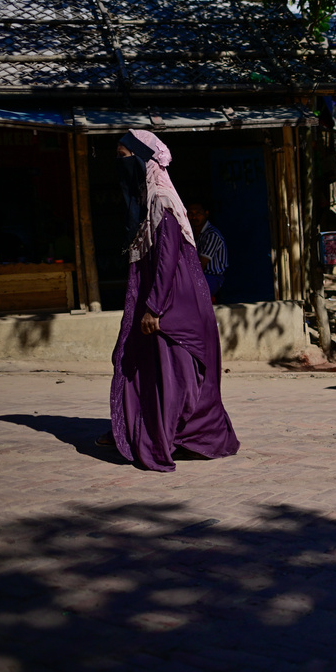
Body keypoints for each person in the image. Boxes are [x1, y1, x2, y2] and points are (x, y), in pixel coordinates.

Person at [99, 129, 240, 472]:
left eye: (124, 156)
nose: (120, 164)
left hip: (174, 305)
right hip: (163, 301)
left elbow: (167, 258)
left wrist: (154, 308)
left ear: (145, 159)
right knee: (148, 366)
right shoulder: (148, 202)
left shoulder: (162, 200)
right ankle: (138, 429)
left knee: (176, 375)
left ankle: (174, 436)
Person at [186, 201, 228, 299]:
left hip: (212, 278)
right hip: (198, 276)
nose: (194, 217)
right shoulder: (190, 233)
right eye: (191, 214)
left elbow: (200, 265)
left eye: (198, 213)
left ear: (206, 213)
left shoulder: (212, 235)